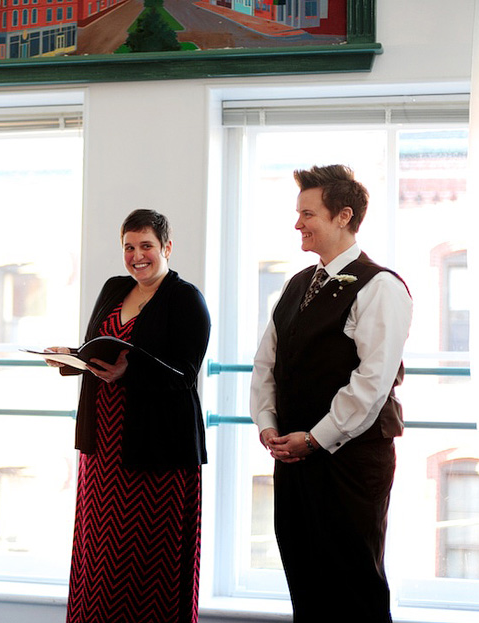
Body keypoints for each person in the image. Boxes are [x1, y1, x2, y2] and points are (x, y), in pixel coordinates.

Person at [250, 165, 412, 622]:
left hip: (352, 462)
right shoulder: (299, 282)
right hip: (293, 456)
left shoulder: (381, 286)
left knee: (353, 583)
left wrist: (316, 438)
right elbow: (267, 362)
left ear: (343, 216)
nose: (297, 223)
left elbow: (372, 382)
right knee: (305, 580)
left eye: (307, 214)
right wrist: (268, 425)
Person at [45, 209, 211, 623]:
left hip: (156, 455)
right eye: (129, 247)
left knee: (147, 565)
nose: (137, 256)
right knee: (99, 559)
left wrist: (129, 372)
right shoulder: (114, 288)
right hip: (103, 449)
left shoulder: (185, 298)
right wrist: (72, 359)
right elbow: (96, 348)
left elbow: (186, 375)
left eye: (147, 246)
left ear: (167, 248)